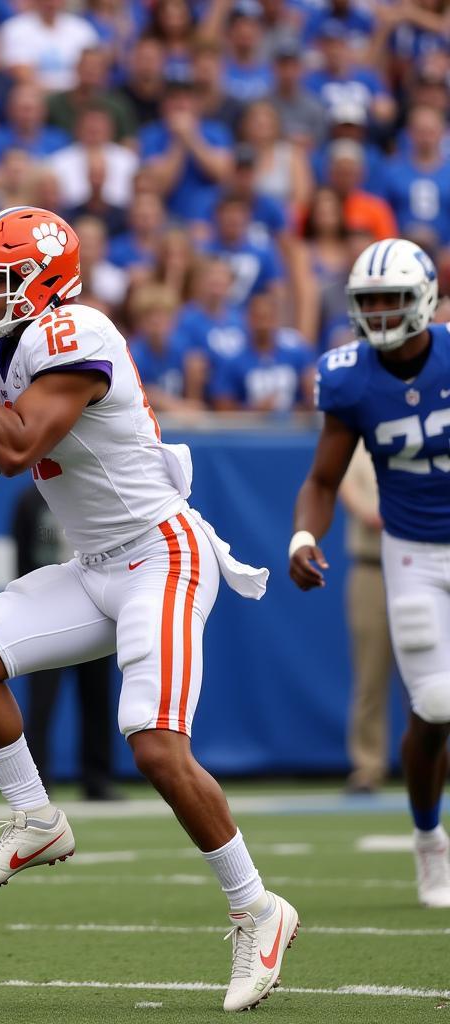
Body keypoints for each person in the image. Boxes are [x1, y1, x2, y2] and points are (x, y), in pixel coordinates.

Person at [0, 206, 298, 1013]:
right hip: (93, 563)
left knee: (156, 746)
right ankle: (35, 819)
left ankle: (257, 909)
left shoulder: (80, 333)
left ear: (46, 283)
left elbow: (16, 445)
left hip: (162, 555)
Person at [291, 237, 450, 907]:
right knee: (436, 706)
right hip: (412, 550)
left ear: (425, 300)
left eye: (392, 299)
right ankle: (428, 839)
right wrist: (303, 534)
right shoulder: (351, 376)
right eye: (369, 302)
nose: (381, 313)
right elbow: (324, 478)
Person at [14, 486, 117, 800]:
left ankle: (97, 780)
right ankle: (37, 785)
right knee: (42, 703)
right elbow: (22, 555)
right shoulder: (30, 499)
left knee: (97, 698)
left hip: (92, 607)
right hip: (46, 612)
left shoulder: (92, 490)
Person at [339, 441, 395, 794]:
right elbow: (341, 484)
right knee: (370, 674)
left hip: (431, 563)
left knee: (435, 676)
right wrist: (371, 512)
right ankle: (368, 765)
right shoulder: (356, 440)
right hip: (373, 566)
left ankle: (436, 760)